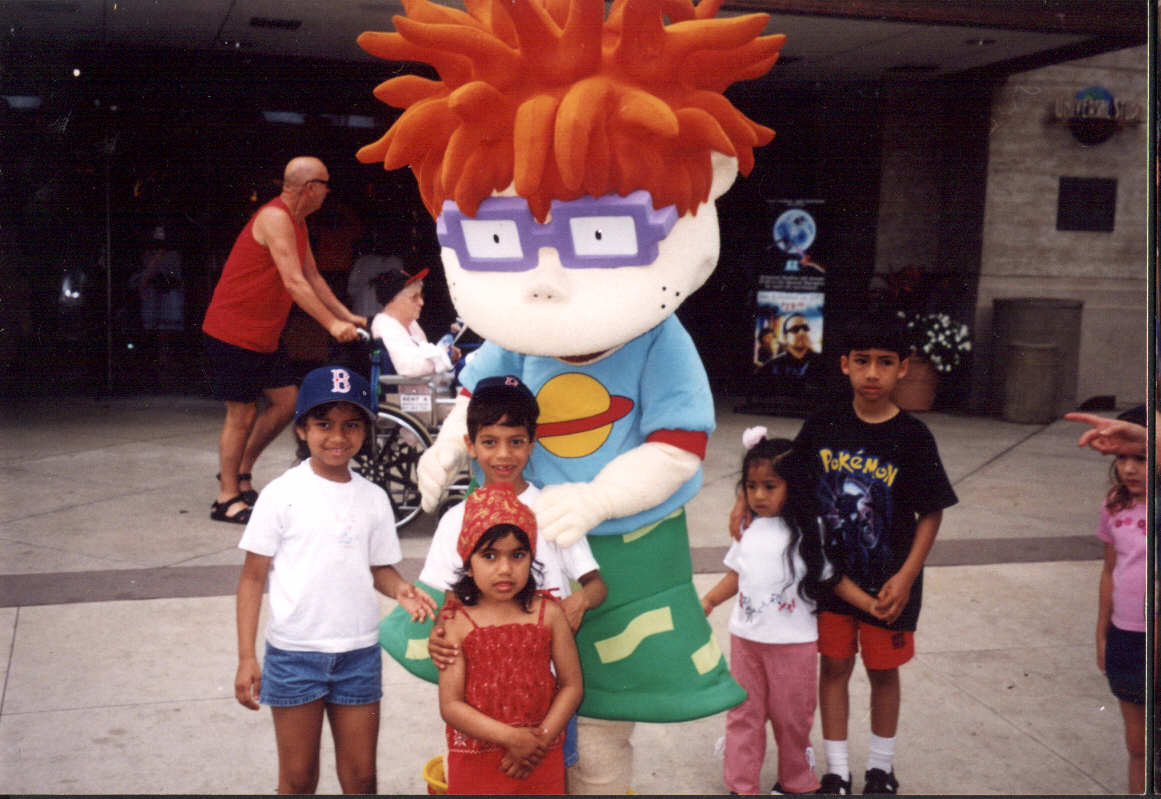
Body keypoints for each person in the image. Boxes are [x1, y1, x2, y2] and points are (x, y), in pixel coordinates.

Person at [733, 312, 957, 794]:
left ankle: (881, 769)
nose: (872, 373)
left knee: (883, 672)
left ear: (903, 368)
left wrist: (907, 576)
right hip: (830, 583)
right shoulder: (825, 423)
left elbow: (932, 512)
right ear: (844, 364)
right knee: (834, 669)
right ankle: (836, 771)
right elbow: (778, 469)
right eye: (862, 361)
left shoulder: (914, 437)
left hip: (889, 586)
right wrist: (740, 500)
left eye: (885, 362)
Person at [385, 374, 607, 785]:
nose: (503, 454)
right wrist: (439, 636)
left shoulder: (553, 509)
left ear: (532, 442)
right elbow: (450, 606)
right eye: (489, 442)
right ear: (470, 445)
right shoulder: (456, 520)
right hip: (479, 709)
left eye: (516, 441)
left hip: (548, 704)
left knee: (548, 781)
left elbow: (595, 585)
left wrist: (580, 600)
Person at [234, 365, 437, 794]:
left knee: (361, 778)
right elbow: (252, 579)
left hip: (358, 654)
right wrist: (247, 657)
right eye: (324, 424)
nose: (337, 437)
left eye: (351, 425)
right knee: (298, 778)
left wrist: (401, 589)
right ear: (302, 429)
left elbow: (378, 567)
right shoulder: (280, 494)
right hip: (294, 655)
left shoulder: (374, 498)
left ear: (365, 431)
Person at [701, 428, 883, 796]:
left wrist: (868, 604)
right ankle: (741, 785)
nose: (759, 495)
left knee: (793, 718)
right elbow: (736, 575)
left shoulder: (810, 532)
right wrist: (709, 600)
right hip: (746, 641)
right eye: (751, 486)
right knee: (743, 714)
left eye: (770, 486)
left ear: (793, 485)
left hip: (794, 645)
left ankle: (797, 782)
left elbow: (834, 580)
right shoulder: (747, 529)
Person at [202, 156, 367, 524]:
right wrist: (330, 324)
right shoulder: (275, 218)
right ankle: (226, 497)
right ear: (310, 188)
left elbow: (313, 277)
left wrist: (345, 315)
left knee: (287, 402)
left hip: (264, 333)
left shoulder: (298, 222)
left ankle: (241, 471)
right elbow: (293, 281)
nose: (327, 193)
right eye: (325, 185)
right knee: (241, 413)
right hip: (234, 330)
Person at [438, 482, 584, 794]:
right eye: (489, 555)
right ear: (468, 564)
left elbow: (572, 685)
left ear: (531, 558)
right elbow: (450, 705)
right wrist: (512, 738)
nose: (505, 569)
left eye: (517, 555)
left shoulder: (549, 614)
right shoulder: (456, 623)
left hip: (539, 755)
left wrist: (539, 741)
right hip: (476, 764)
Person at [1093, 409, 1147, 793]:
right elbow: (1109, 571)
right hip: (1125, 637)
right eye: (1121, 458)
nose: (1128, 468)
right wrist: (1102, 633)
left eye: (1140, 458)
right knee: (1137, 745)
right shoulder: (1114, 504)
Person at [369, 266, 460, 377]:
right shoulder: (385, 325)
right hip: (402, 388)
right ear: (392, 300)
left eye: (420, 296)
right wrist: (445, 355)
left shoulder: (412, 324)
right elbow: (410, 368)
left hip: (425, 386)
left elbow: (426, 356)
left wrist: (447, 355)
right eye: (414, 297)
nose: (421, 302)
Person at [754, 313, 825, 382]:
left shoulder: (823, 362)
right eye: (795, 329)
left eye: (805, 328)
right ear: (785, 337)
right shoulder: (771, 367)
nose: (802, 333)